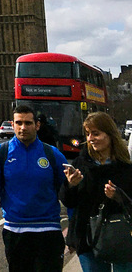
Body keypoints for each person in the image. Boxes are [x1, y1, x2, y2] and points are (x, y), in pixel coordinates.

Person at [0, 104, 68, 271]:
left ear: (37, 125)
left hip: (49, 230)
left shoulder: (52, 154)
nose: (23, 127)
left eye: (28, 123)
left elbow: (67, 192)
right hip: (15, 232)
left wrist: (73, 232)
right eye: (18, 123)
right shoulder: (0, 153)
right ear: (12, 125)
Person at [60, 111, 132, 272]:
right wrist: (71, 185)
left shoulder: (125, 167)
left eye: (96, 133)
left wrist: (118, 196)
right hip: (88, 238)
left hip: (121, 236)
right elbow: (68, 201)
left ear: (110, 134)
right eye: (88, 134)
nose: (90, 138)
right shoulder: (81, 163)